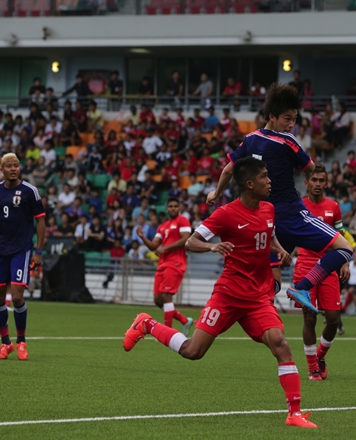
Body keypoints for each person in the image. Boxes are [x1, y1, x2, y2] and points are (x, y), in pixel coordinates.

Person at [123, 157, 317, 429]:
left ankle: (294, 413)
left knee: (281, 344)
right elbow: (192, 241)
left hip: (258, 297)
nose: (270, 180)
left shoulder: (269, 209)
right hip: (228, 293)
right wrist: (212, 247)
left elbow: (269, 236)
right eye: (264, 176)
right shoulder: (226, 213)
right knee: (193, 351)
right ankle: (147, 323)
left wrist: (280, 251)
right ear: (249, 184)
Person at [207, 83, 353, 313]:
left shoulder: (250, 139)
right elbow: (311, 167)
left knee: (268, 276)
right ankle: (302, 287)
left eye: (294, 119)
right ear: (272, 116)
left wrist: (216, 193)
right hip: (290, 215)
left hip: (267, 221)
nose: (291, 124)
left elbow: (227, 170)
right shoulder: (288, 142)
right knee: (344, 249)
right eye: (287, 118)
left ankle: (250, 308)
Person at [0, 153, 46, 360]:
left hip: (22, 249)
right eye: (9, 166)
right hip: (1, 250)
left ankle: (21, 342)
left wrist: (38, 251)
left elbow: (41, 222)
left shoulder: (30, 191)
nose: (13, 169)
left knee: (17, 296)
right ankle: (5, 344)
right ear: (2, 169)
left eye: (16, 166)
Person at [291, 164, 347, 381]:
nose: (317, 184)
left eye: (321, 180)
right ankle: (312, 366)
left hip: (329, 265)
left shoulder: (333, 207)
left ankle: (321, 356)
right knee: (309, 318)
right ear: (306, 183)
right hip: (305, 264)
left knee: (333, 319)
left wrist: (344, 262)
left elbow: (340, 236)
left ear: (326, 183)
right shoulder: (298, 206)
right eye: (314, 180)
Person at [136, 197, 193, 335]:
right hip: (163, 263)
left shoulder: (182, 221)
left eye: (175, 206)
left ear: (178, 208)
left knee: (166, 296)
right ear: (167, 209)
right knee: (158, 299)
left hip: (176, 262)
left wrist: (165, 248)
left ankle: (168, 333)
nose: (173, 208)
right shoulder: (163, 226)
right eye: (171, 206)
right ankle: (184, 321)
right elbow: (154, 246)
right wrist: (143, 237)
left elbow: (186, 239)